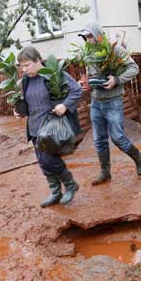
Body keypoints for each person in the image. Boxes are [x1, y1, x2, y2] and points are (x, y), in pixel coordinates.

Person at [78, 21, 141, 185]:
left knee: (117, 137)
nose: (87, 41)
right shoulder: (89, 55)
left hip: (113, 102)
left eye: (89, 37)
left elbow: (133, 68)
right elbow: (92, 76)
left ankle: (138, 157)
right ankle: (105, 172)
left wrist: (117, 79)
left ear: (98, 35)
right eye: (85, 38)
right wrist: (87, 85)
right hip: (96, 102)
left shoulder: (115, 50)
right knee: (99, 140)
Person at [14, 46, 83, 207]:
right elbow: (29, 102)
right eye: (21, 66)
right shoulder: (26, 81)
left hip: (51, 128)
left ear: (38, 60)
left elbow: (77, 90)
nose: (24, 69)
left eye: (27, 65)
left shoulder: (53, 74)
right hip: (34, 128)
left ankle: (70, 184)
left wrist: (65, 105)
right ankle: (55, 192)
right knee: (43, 162)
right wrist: (20, 111)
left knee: (49, 160)